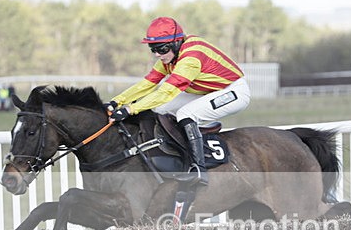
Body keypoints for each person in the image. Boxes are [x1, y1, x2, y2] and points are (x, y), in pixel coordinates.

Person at [105, 17, 251, 185]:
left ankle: (198, 169)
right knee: (160, 109)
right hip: (207, 90)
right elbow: (149, 83)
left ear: (176, 43)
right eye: (153, 49)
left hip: (233, 91)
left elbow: (167, 92)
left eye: (161, 49)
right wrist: (117, 102)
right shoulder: (171, 55)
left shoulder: (190, 59)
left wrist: (131, 109)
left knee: (185, 114)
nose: (157, 54)